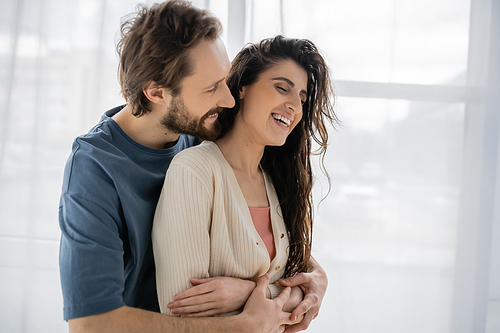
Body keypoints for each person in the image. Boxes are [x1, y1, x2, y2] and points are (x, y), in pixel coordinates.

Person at [58, 1, 326, 332]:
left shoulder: (197, 133)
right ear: (156, 92)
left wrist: (315, 275)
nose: (228, 100)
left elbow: (261, 233)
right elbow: (91, 324)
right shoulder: (93, 170)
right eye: (212, 88)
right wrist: (241, 325)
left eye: (225, 81)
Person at [153, 34, 337, 330]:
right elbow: (181, 311)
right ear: (242, 88)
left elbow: (300, 305)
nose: (294, 107)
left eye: (301, 98)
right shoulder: (194, 170)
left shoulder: (275, 183)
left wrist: (246, 293)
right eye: (281, 88)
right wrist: (283, 297)